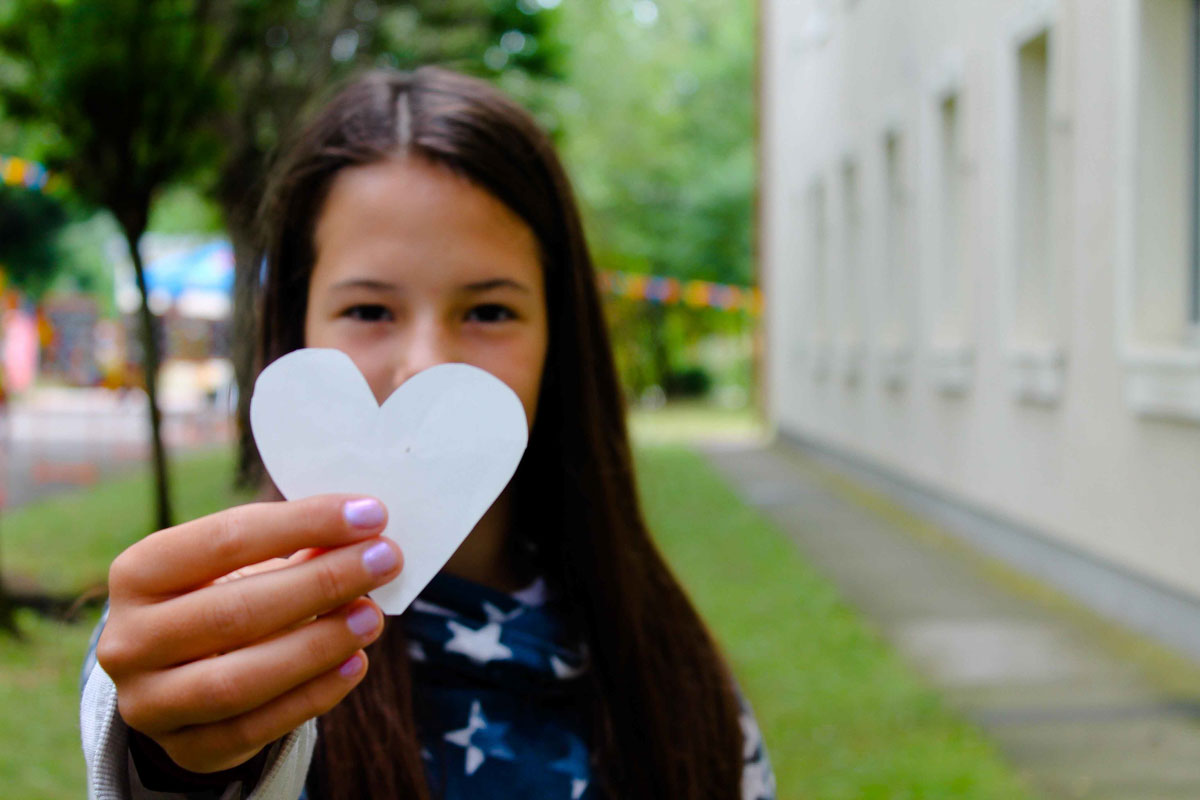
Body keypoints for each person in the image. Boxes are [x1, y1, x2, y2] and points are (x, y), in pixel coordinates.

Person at [81, 67, 775, 800]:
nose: (424, 367)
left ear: (558, 339)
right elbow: (168, 750)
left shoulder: (675, 675)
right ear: (297, 325)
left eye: (489, 312)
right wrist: (170, 761)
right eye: (370, 311)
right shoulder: (212, 636)